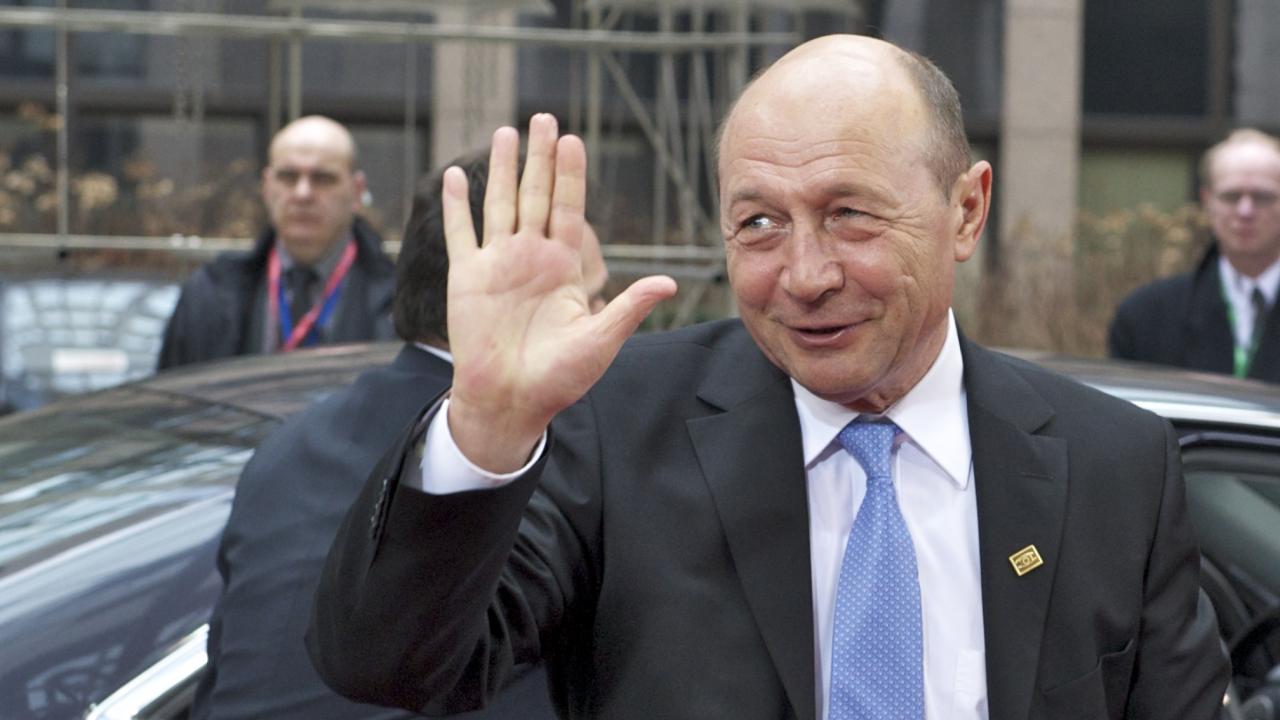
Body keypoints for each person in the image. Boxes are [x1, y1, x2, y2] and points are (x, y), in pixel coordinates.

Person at [308, 35, 1228, 720]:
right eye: (759, 224)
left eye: (850, 214)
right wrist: (484, 425)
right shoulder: (616, 426)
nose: (805, 275)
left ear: (966, 210)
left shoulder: (1115, 466)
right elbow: (392, 667)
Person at [190, 150, 607, 719]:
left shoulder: (286, 445)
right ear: (518, 302)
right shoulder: (553, 470)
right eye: (587, 296)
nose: (600, 320)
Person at [157, 115, 396, 371]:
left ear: (357, 191)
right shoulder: (209, 294)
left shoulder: (397, 302)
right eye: (288, 176)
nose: (303, 194)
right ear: (266, 187)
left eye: (323, 178)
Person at [1109, 128, 1280, 381]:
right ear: (1207, 200)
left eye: (1263, 197)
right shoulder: (1145, 317)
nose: (1245, 211)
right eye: (1231, 196)